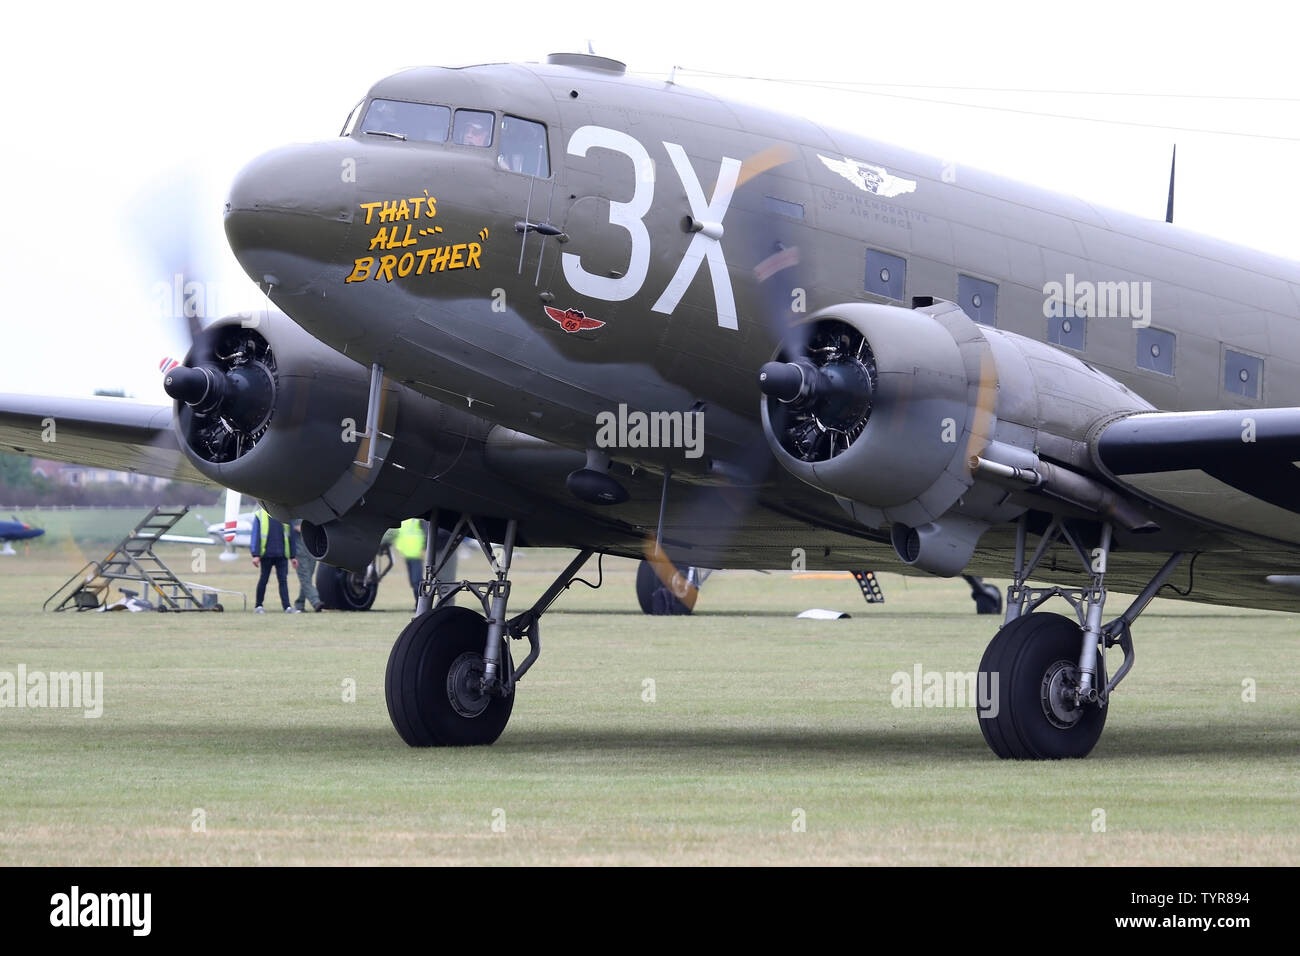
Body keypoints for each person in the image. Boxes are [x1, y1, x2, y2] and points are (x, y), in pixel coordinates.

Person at [251, 507, 299, 613]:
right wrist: (256, 555)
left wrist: (293, 556)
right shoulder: (260, 515)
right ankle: (258, 606)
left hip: (281, 555)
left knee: (283, 581)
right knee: (264, 580)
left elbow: (291, 535)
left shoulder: (285, 514)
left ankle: (287, 607)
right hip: (266, 555)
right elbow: (256, 535)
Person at [394, 517, 426, 610]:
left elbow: (426, 534)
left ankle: (421, 605)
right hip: (407, 555)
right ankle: (419, 604)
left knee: (417, 581)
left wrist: (424, 549)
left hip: (416, 554)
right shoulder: (404, 520)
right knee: (413, 582)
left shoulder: (418, 520)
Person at [292, 520, 322, 612]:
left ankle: (299, 604)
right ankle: (316, 601)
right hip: (300, 553)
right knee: (305, 578)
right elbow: (299, 528)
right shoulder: (296, 513)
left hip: (311, 552)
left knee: (307, 579)